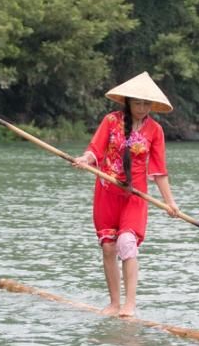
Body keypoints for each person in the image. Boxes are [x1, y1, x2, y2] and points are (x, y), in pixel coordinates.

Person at [72, 72, 180, 317]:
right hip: (106, 192)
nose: (141, 108)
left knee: (127, 243)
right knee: (109, 247)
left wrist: (170, 203)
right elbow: (95, 150)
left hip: (135, 196)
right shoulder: (111, 121)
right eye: (137, 103)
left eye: (146, 104)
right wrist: (84, 160)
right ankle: (114, 303)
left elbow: (159, 171)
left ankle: (130, 304)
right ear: (128, 102)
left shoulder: (155, 130)